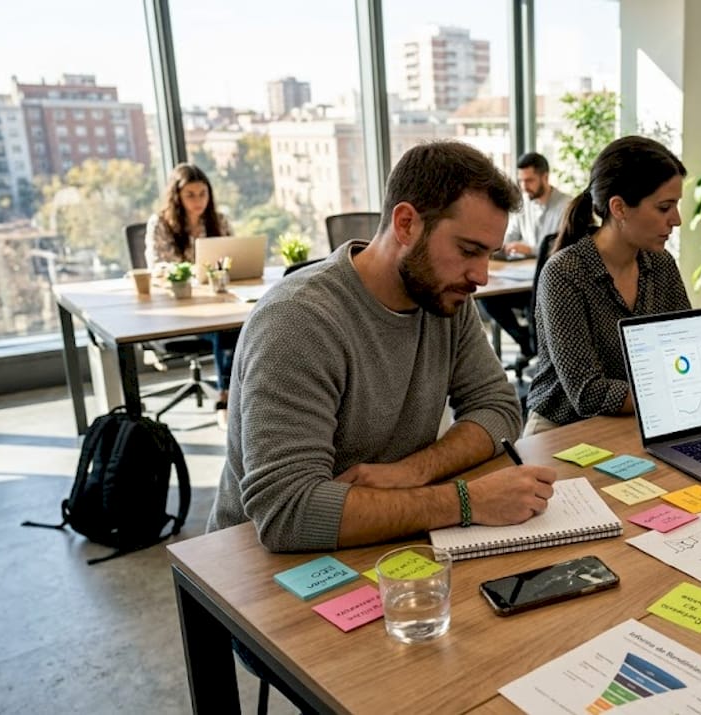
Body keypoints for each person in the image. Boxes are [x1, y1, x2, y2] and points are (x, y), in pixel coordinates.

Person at [207, 141, 557, 552]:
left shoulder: (444, 298)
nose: (481, 275)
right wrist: (466, 500)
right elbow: (289, 512)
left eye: (489, 254)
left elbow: (498, 408)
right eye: (468, 250)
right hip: (260, 565)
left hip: (386, 538)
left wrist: (413, 471)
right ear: (406, 224)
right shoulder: (298, 321)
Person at [523, 136, 692, 436]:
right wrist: (675, 387)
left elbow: (684, 350)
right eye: (665, 207)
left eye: (676, 205)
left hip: (643, 417)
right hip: (562, 429)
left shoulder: (662, 264)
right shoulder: (565, 273)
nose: (676, 220)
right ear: (619, 208)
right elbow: (589, 394)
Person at [145, 163, 237, 425]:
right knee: (225, 329)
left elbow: (234, 259)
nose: (199, 201)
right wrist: (192, 272)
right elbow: (157, 268)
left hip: (216, 304)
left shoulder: (218, 221)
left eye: (203, 194)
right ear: (177, 197)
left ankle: (237, 397)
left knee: (234, 324)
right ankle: (226, 400)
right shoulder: (160, 224)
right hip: (180, 310)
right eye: (191, 195)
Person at [481, 152, 572, 364]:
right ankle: (526, 341)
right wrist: (501, 247)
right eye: (521, 180)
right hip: (523, 281)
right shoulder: (523, 204)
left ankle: (532, 343)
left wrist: (530, 249)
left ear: (545, 177)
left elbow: (564, 249)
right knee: (488, 298)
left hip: (548, 284)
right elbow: (510, 235)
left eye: (529, 180)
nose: (524, 186)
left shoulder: (566, 206)